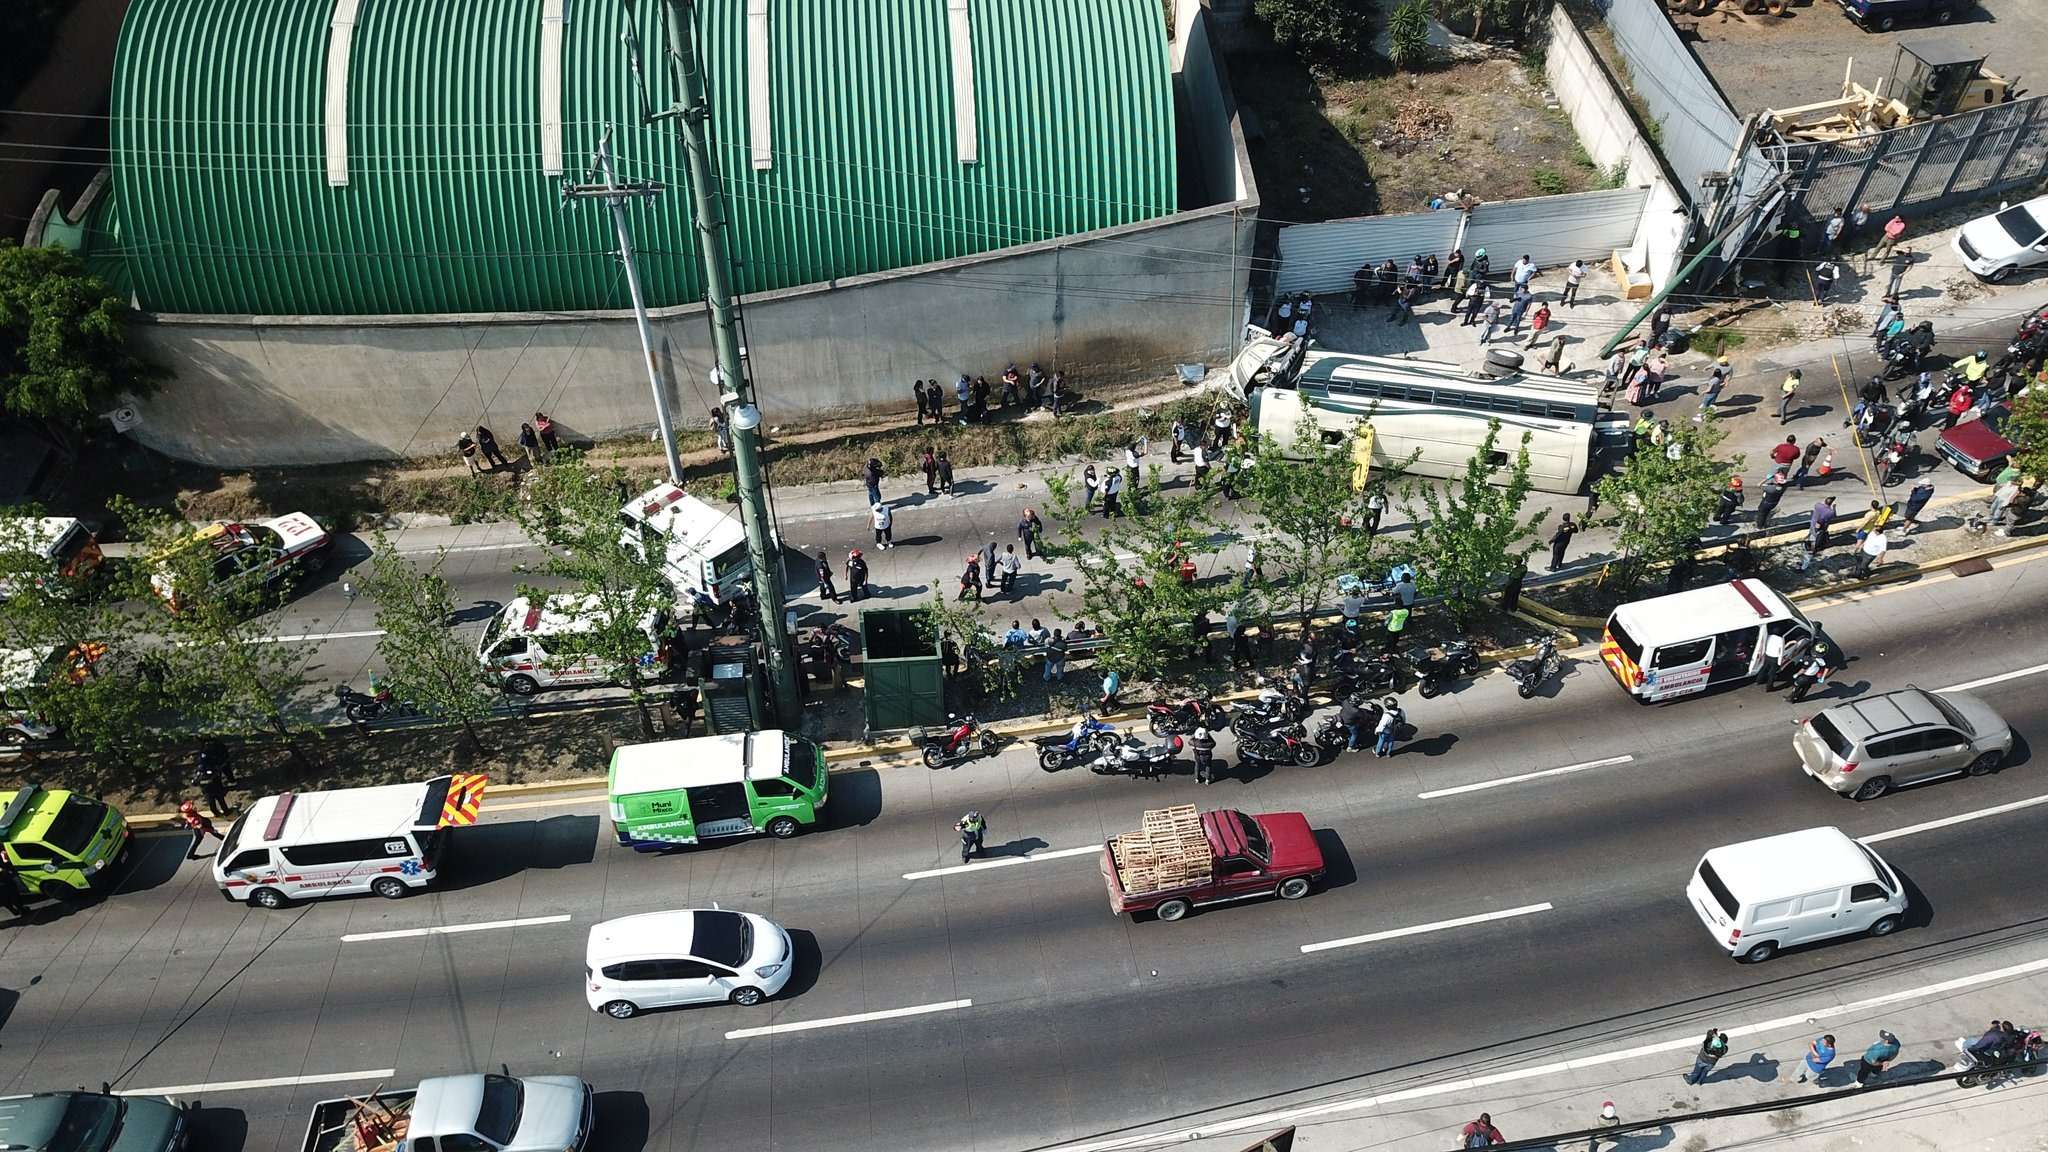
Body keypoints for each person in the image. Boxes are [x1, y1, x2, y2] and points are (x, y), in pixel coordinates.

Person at [194, 739, 234, 816]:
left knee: (216, 801)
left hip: (211, 789)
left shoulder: (204, 772)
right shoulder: (207, 772)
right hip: (212, 789)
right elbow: (195, 781)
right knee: (217, 801)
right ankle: (221, 812)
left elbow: (195, 782)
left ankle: (222, 812)